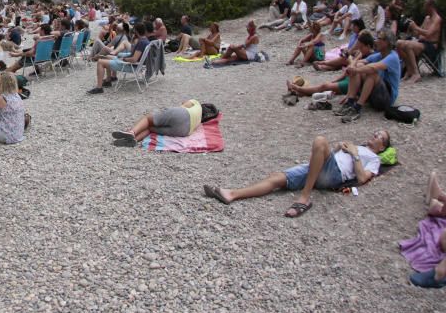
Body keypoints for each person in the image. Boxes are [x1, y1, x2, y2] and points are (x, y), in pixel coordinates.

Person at [204, 129, 390, 217]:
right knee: (276, 178)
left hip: (334, 174)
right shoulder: (356, 146)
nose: (375, 135)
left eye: (380, 136)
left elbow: (362, 178)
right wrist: (338, 148)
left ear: (382, 147)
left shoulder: (374, 159)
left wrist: (355, 154)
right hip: (321, 167)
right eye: (375, 133)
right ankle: (232, 194)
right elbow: (332, 155)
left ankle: (305, 197)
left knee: (320, 140)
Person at [333, 29, 402, 122]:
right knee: (359, 66)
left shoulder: (393, 57)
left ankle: (357, 107)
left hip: (386, 100)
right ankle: (350, 102)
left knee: (371, 73)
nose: (375, 41)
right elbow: (361, 62)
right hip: (376, 95)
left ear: (386, 42)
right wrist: (353, 66)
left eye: (378, 38)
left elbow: (373, 67)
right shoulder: (380, 55)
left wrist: (355, 69)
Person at [112, 100, 217, 147]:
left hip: (182, 114)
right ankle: (134, 140)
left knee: (148, 119)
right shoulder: (199, 121)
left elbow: (184, 105)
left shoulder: (196, 103)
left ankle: (131, 132)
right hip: (184, 131)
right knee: (150, 128)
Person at [88, 22, 150, 93]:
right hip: (135, 64)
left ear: (136, 31)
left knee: (100, 62)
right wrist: (121, 55)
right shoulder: (145, 40)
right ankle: (108, 80)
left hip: (131, 66)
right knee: (106, 57)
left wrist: (123, 59)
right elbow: (133, 55)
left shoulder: (141, 43)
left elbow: (134, 59)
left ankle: (99, 88)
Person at [397, 0, 443, 83]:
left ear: (431, 6)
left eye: (425, 5)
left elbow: (428, 33)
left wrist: (416, 27)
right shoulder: (427, 18)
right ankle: (409, 70)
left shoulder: (437, 19)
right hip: (422, 43)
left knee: (408, 45)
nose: (424, 7)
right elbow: (418, 33)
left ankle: (416, 73)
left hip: (431, 46)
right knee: (398, 43)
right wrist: (411, 27)